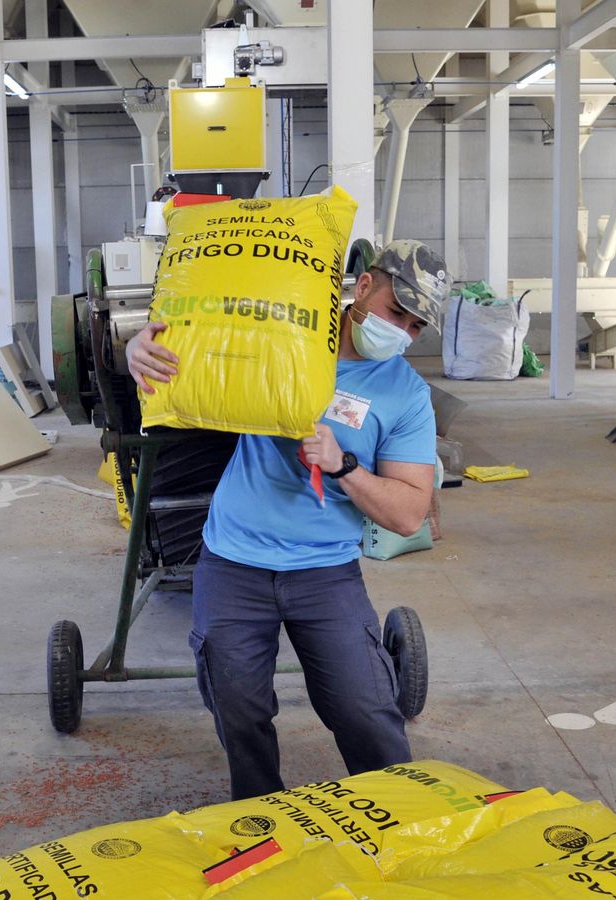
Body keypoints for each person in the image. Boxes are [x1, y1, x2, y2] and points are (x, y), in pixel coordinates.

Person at [126, 239, 449, 800]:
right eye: (397, 312)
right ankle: (260, 815)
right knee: (237, 704)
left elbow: (408, 513)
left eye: (417, 325)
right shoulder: (283, 334)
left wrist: (344, 466)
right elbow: (198, 339)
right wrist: (137, 348)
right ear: (363, 287)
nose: (403, 332)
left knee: (365, 708)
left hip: (325, 570)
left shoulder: (406, 394)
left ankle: (399, 819)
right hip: (235, 558)